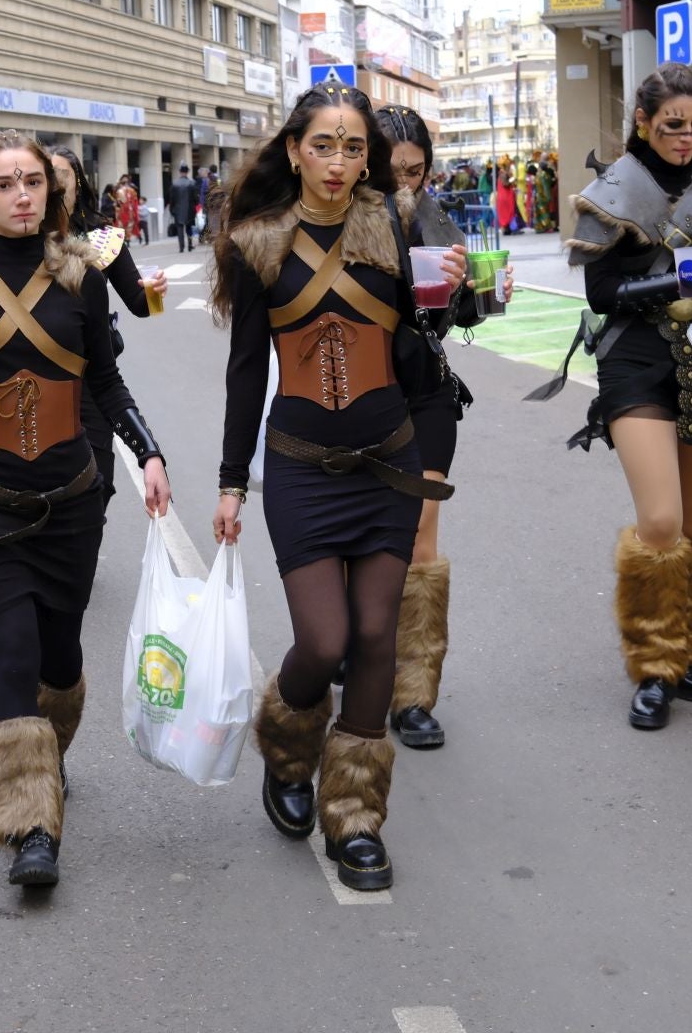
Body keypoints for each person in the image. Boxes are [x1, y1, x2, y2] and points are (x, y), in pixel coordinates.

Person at [0, 130, 168, 888]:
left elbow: (108, 385)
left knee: (60, 658)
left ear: (50, 192)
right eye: (3, 185)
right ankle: (30, 828)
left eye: (32, 183)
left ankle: (47, 762)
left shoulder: (82, 277)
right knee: (13, 651)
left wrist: (148, 453)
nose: (22, 195)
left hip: (72, 502)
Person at [211, 83, 455, 893]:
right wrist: (229, 482)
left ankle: (354, 814)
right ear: (293, 150)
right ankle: (287, 748)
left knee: (376, 636)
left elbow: (434, 335)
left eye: (355, 148)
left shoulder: (397, 221)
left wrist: (461, 293)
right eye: (325, 145)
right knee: (323, 642)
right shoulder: (256, 245)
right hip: (300, 467)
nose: (340, 162)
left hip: (388, 460)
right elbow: (247, 373)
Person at [546, 64, 692, 730]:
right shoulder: (615, 189)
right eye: (673, 125)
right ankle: (651, 667)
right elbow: (599, 294)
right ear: (644, 122)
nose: (685, 137)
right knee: (662, 523)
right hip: (636, 365)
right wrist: (671, 285)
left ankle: (682, 652)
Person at [377, 106, 503, 749]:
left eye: (417, 171)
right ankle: (357, 652)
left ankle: (415, 693)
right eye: (393, 171)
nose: (406, 184)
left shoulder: (437, 217)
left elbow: (450, 322)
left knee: (421, 539)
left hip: (426, 394)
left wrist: (479, 289)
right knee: (367, 543)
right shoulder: (340, 221)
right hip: (356, 400)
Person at [49, 145, 166, 507]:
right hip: (39, 378)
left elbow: (141, 305)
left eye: (62, 175)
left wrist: (155, 293)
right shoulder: (22, 240)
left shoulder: (104, 238)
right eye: (45, 176)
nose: (54, 184)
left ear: (78, 183)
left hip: (91, 376)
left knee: (97, 485)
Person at [169, 164, 198, 254]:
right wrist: (195, 205)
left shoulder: (175, 183)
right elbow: (195, 198)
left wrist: (172, 209)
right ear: (187, 172)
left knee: (180, 228)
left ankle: (181, 247)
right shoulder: (192, 183)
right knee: (189, 227)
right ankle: (189, 245)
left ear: (180, 171)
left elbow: (172, 198)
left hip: (177, 209)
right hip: (190, 208)